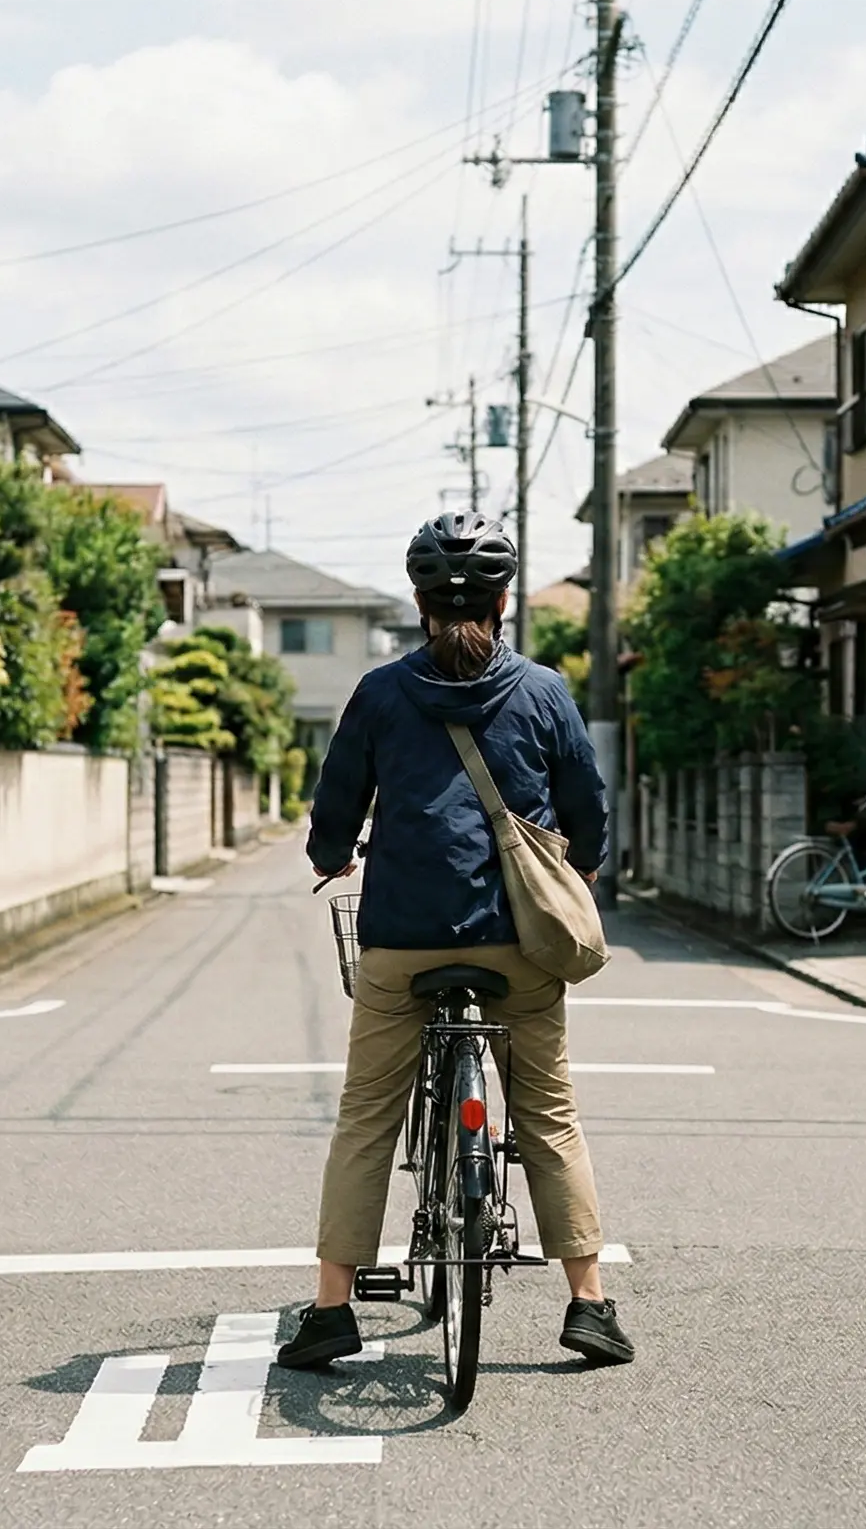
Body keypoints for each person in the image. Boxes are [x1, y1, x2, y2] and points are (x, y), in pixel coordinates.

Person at [276, 509, 634, 1371]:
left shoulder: (380, 693)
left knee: (367, 1117)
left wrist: (333, 856)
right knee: (549, 1116)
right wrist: (579, 870)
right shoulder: (544, 692)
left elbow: (335, 809)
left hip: (401, 939)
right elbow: (588, 810)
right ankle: (587, 1303)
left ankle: (331, 1312)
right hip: (520, 944)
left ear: (418, 601)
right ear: (505, 600)